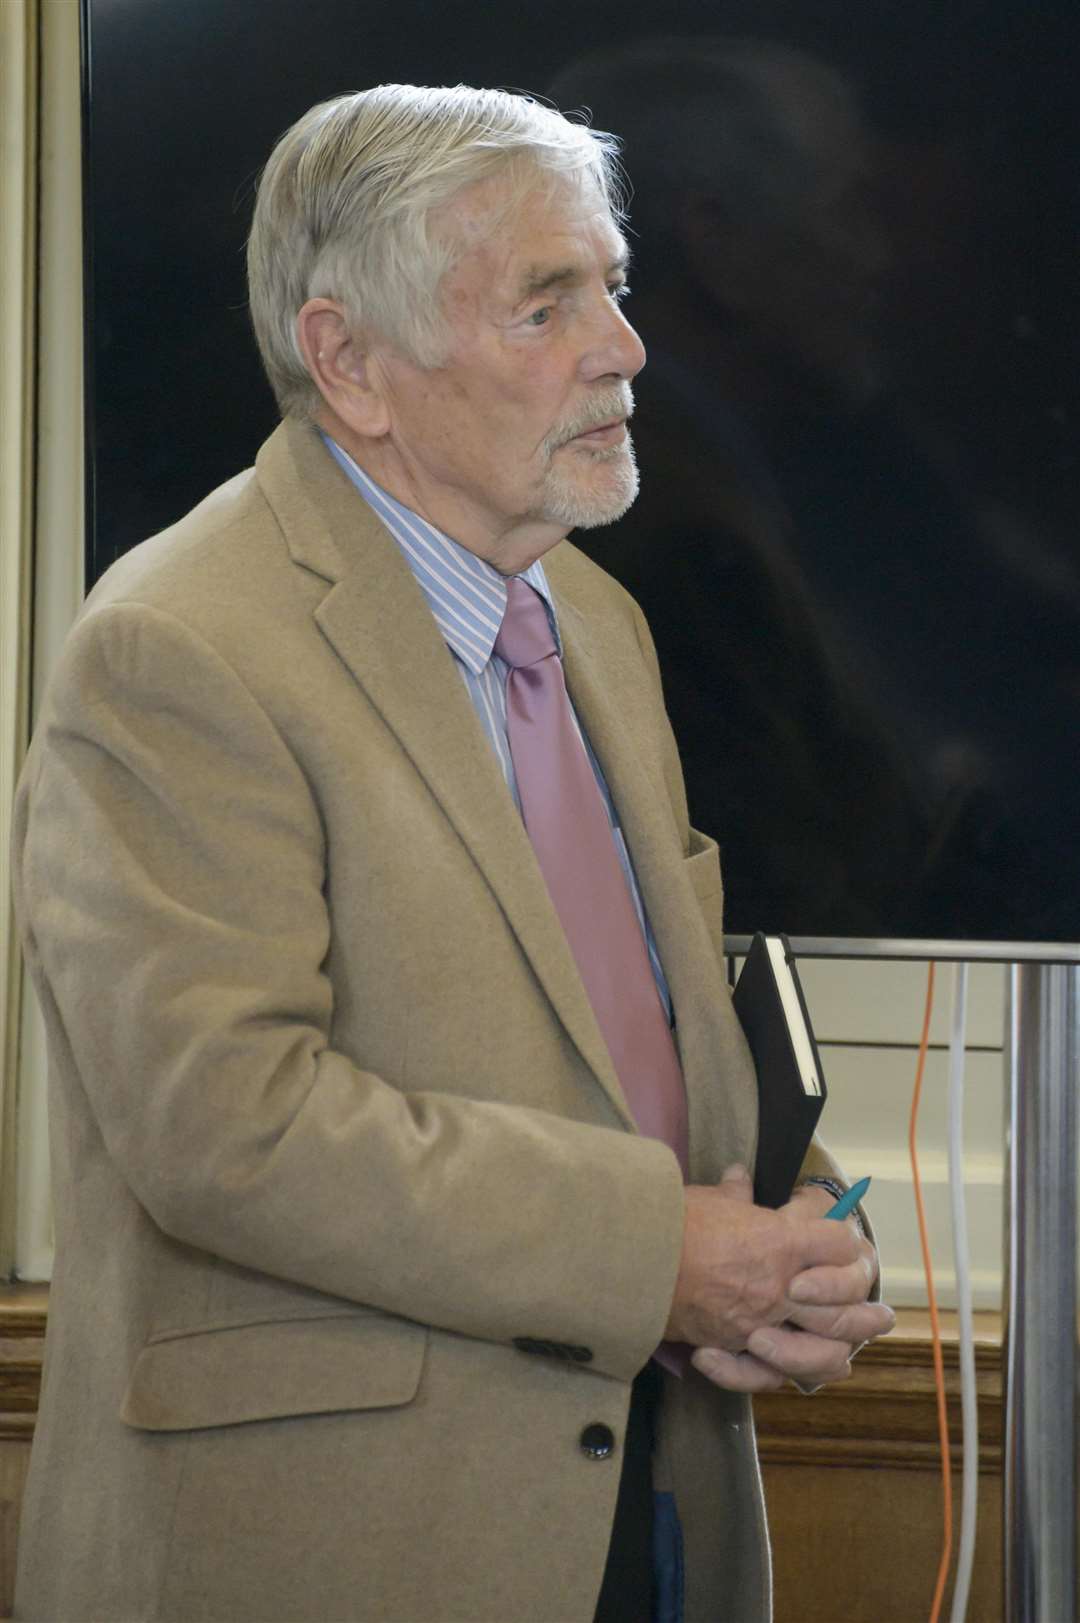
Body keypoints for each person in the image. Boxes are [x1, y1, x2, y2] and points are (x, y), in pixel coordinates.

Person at [12, 84, 891, 1623]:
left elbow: (650, 1034)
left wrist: (797, 1229)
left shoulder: (598, 620)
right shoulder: (176, 647)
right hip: (339, 1543)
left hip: (653, 1498)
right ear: (349, 361)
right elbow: (228, 1128)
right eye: (547, 303)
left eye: (611, 287)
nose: (622, 346)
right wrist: (661, 1260)